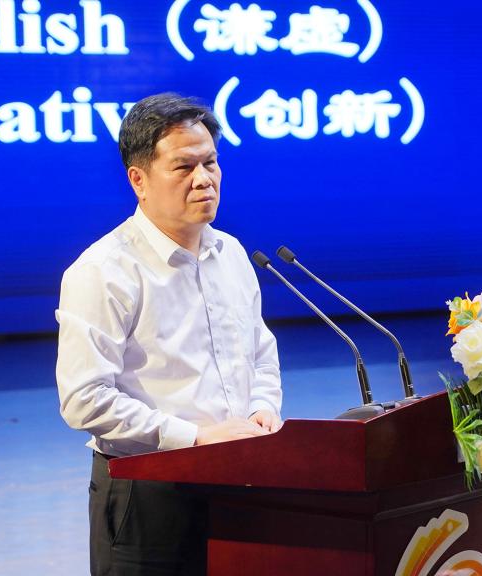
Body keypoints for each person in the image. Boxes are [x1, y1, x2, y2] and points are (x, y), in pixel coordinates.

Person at [55, 93, 283, 576]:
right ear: (138, 179)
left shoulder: (231, 253)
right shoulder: (103, 271)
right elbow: (84, 399)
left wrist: (262, 408)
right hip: (149, 494)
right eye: (183, 167)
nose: (204, 179)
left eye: (211, 163)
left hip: (241, 481)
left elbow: (260, 351)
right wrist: (196, 438)